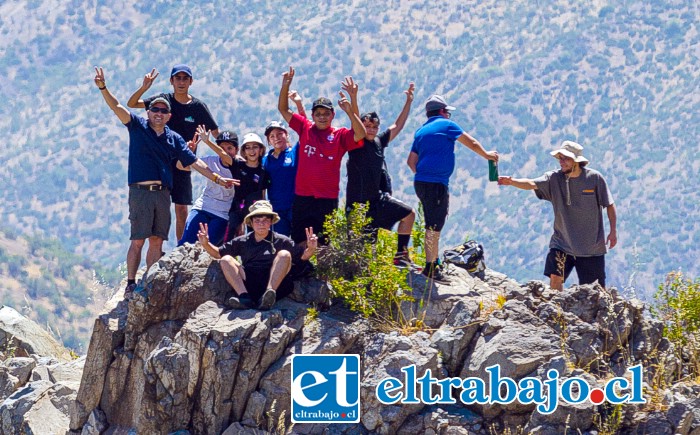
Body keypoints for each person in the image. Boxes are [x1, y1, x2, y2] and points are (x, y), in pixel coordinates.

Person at [93, 67, 235, 297]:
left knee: (157, 240)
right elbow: (117, 107)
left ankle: (149, 282)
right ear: (149, 112)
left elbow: (196, 162)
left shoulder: (174, 138)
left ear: (169, 116)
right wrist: (103, 87)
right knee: (138, 239)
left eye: (163, 111)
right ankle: (131, 282)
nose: (158, 113)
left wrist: (218, 178)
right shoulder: (137, 127)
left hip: (162, 193)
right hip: (140, 191)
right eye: (154, 110)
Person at [498, 141, 617, 290]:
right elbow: (532, 183)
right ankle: (557, 311)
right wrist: (512, 182)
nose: (561, 162)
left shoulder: (594, 179)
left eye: (565, 158)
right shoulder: (554, 178)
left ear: (576, 161)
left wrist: (613, 231)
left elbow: (609, 205)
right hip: (562, 243)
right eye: (560, 158)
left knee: (595, 292)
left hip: (591, 248)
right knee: (555, 277)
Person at [407, 95, 498, 283]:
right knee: (434, 226)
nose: (448, 115)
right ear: (442, 111)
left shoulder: (420, 131)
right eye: (447, 111)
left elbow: (411, 162)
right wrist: (487, 155)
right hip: (436, 184)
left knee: (432, 221)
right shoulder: (447, 125)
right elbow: (471, 142)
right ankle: (431, 268)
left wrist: (425, 174)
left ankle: (433, 262)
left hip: (421, 183)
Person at [127, 65, 219, 241]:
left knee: (181, 208)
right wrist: (144, 87)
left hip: (184, 161)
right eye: (178, 78)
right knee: (159, 206)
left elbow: (216, 133)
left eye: (185, 78)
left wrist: (225, 152)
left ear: (191, 81)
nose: (181, 82)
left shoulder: (198, 107)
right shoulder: (163, 101)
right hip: (160, 163)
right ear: (172, 81)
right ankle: (157, 248)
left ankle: (181, 246)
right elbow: (131, 104)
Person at [277, 67, 366, 245]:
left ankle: (321, 273)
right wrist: (285, 85)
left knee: (324, 244)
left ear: (333, 115)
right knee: (300, 243)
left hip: (327, 199)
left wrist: (350, 110)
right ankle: (300, 273)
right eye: (318, 114)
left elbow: (360, 134)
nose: (322, 117)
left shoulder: (340, 136)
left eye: (326, 113)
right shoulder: (305, 127)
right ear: (312, 116)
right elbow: (283, 109)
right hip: (303, 197)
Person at [197, 200, 318, 310]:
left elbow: (302, 257)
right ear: (251, 223)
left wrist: (311, 248)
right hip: (250, 284)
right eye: (257, 220)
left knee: (285, 254)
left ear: (271, 222)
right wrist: (206, 244)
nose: (261, 224)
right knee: (226, 259)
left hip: (276, 285)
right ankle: (244, 298)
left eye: (265, 220)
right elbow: (218, 253)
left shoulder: (282, 240)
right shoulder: (242, 241)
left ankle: (269, 296)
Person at [345, 83, 417, 266]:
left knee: (409, 215)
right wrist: (353, 97)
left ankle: (401, 255)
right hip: (358, 206)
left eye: (374, 126)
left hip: (377, 201)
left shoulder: (379, 141)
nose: (370, 129)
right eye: (366, 125)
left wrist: (408, 102)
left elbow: (398, 126)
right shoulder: (357, 142)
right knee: (364, 254)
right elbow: (355, 122)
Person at [177, 130, 239, 246]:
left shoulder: (240, 166)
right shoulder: (210, 161)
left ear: (237, 150)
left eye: (229, 148)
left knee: (207, 248)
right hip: (203, 207)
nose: (225, 152)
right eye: (222, 148)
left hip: (223, 213)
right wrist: (188, 153)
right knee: (185, 244)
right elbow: (181, 167)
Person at [224, 133, 271, 241]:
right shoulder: (237, 165)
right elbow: (222, 154)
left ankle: (253, 257)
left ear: (261, 150)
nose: (252, 151)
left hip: (255, 209)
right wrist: (208, 142)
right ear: (244, 151)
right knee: (230, 232)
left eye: (255, 147)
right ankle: (225, 256)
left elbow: (263, 194)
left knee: (254, 236)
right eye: (248, 148)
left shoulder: (264, 171)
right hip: (237, 207)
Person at [262, 121, 297, 236]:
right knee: (281, 244)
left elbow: (306, 133)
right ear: (268, 141)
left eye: (279, 134)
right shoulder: (265, 160)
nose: (276, 138)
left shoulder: (295, 153)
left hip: (296, 207)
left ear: (286, 135)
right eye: (272, 136)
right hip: (276, 210)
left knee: (300, 243)